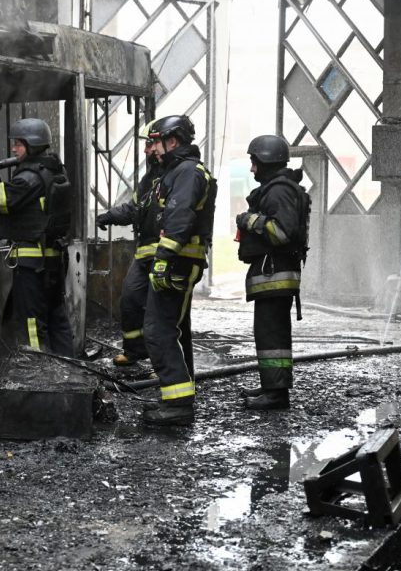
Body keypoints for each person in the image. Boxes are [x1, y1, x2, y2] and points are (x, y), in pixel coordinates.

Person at [0, 118, 74, 356]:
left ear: (32, 145)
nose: (14, 149)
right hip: (53, 261)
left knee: (32, 324)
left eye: (18, 144)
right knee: (57, 319)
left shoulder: (29, 179)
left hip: (32, 265)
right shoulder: (54, 171)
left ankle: (40, 370)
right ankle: (69, 370)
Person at [139, 115, 216, 426]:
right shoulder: (179, 171)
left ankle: (179, 405)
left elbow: (179, 217)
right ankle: (178, 396)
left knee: (158, 329)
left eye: (156, 142)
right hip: (179, 261)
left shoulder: (187, 172)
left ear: (172, 141)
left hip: (178, 262)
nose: (153, 149)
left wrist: (163, 259)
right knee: (170, 328)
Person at [235, 134, 310, 410]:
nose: (252, 168)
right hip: (273, 275)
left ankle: (276, 395)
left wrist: (249, 220)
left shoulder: (278, 191)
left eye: (254, 162)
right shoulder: (277, 189)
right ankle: (271, 386)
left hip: (274, 275)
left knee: (272, 336)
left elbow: (281, 232)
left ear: (266, 161)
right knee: (269, 335)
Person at [94, 118, 166, 367]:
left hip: (167, 253)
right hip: (145, 253)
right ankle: (135, 351)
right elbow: (135, 208)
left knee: (161, 311)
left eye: (150, 144)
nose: (146, 150)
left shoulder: (177, 176)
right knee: (130, 299)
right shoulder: (149, 180)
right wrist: (109, 216)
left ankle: (165, 363)